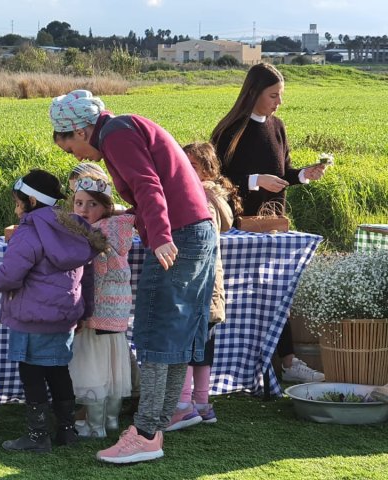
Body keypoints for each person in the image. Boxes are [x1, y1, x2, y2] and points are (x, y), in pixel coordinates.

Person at [49, 89, 216, 464]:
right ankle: (160, 422)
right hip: (198, 230)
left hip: (178, 233)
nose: (76, 156)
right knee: (177, 334)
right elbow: (149, 191)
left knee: (155, 331)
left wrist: (160, 236)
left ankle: (145, 435)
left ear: (80, 131)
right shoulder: (123, 129)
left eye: (70, 148)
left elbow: (147, 185)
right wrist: (133, 216)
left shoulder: (115, 135)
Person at [211, 63, 328, 383]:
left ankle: (287, 363)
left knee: (277, 291)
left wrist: (303, 175)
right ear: (253, 93)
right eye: (273, 95)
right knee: (234, 295)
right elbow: (216, 179)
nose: (279, 102)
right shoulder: (229, 131)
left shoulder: (278, 127)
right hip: (235, 226)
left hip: (273, 225)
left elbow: (284, 173)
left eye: (281, 95)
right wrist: (255, 180)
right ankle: (234, 365)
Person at [0, 169, 107, 453]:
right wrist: (84, 311)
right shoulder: (74, 228)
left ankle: (38, 436)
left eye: (18, 203)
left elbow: (10, 275)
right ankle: (66, 431)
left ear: (31, 201)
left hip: (31, 318)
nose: (16, 209)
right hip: (64, 317)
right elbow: (87, 277)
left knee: (31, 374)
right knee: (58, 371)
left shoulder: (28, 233)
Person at [163, 142, 242, 431]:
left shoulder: (198, 196)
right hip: (210, 284)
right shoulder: (214, 196)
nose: (185, 170)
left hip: (196, 281)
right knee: (203, 346)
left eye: (192, 166)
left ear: (207, 170)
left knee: (185, 343)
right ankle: (202, 403)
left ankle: (183, 405)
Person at [68, 171, 137, 439]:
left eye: (92, 204)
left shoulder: (92, 236)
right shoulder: (117, 230)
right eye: (79, 203)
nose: (83, 210)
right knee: (112, 371)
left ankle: (94, 427)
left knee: (92, 370)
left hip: (95, 314)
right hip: (116, 315)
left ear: (106, 207)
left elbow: (88, 276)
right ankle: (110, 421)